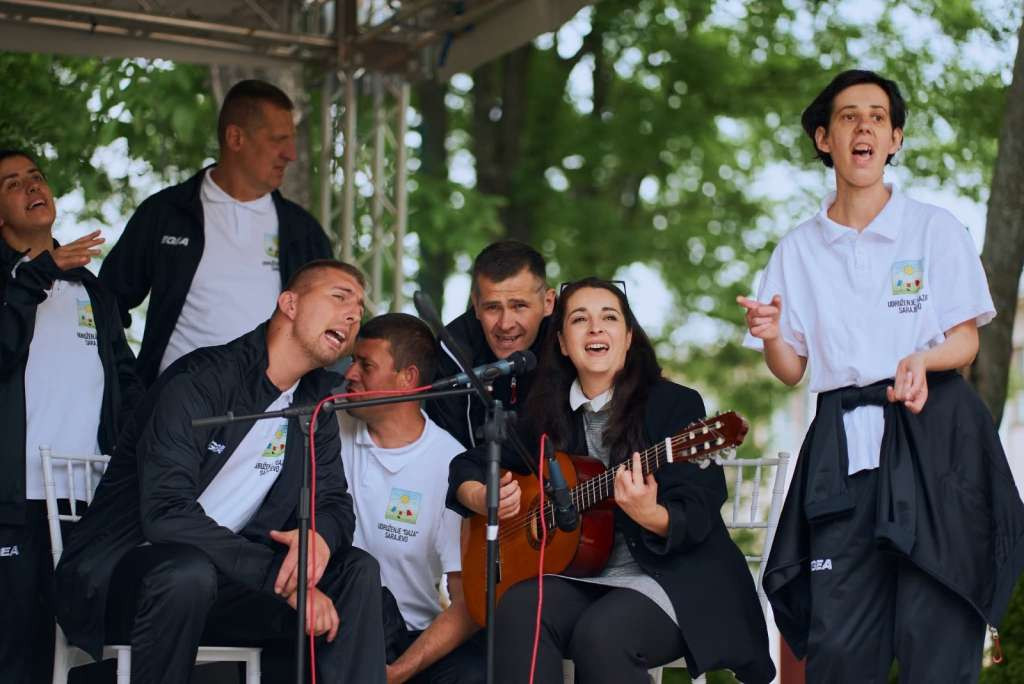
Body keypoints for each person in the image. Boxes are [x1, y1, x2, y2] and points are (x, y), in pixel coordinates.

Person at [740, 69, 1024, 682]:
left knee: (937, 644)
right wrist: (769, 336)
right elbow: (792, 370)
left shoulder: (934, 229)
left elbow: (967, 339)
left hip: (935, 448)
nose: (863, 125)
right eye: (848, 116)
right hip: (842, 460)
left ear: (894, 139)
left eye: (877, 116)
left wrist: (922, 358)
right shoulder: (797, 249)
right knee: (839, 648)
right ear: (824, 139)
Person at [55, 259, 386, 684]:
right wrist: (281, 579)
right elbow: (166, 514)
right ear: (289, 303)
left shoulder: (315, 404)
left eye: (359, 309)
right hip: (127, 578)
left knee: (356, 570)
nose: (353, 314)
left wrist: (319, 540)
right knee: (187, 572)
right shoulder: (200, 380)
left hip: (229, 583)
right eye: (340, 298)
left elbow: (334, 502)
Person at [448, 278, 776, 684]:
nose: (596, 328)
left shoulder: (674, 405)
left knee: (601, 635)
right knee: (518, 609)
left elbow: (700, 505)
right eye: (580, 319)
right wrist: (481, 495)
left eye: (609, 317)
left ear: (628, 337)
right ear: (563, 343)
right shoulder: (545, 413)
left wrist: (652, 514)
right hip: (584, 578)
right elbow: (469, 464)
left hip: (670, 579)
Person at [0, 149, 142, 683]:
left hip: (88, 500)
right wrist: (35, 275)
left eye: (36, 176)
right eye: (13, 183)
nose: (32, 186)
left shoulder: (90, 286)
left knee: (88, 653)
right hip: (14, 501)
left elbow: (124, 380)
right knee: (16, 649)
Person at [99, 79, 333, 387]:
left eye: (291, 140)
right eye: (278, 140)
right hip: (175, 409)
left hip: (270, 412)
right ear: (235, 138)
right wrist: (127, 382)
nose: (290, 153)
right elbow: (107, 302)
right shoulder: (167, 212)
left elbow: (328, 323)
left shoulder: (303, 231)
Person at [339, 313, 484, 684]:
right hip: (330, 626)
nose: (350, 374)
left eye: (365, 365)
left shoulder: (451, 465)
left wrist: (399, 671)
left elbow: (467, 601)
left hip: (407, 636)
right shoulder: (328, 433)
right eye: (352, 361)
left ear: (408, 379)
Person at [425, 240, 555, 449]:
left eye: (519, 306)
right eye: (492, 307)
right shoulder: (454, 347)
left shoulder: (570, 337)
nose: (505, 324)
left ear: (548, 302)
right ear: (475, 305)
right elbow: (447, 448)